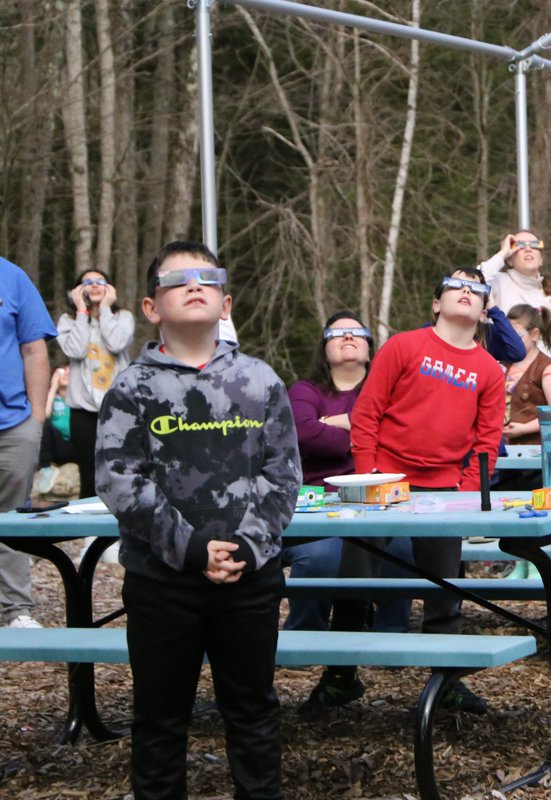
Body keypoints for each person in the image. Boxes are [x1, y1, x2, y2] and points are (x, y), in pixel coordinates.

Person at [95, 240, 301, 798]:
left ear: (226, 302)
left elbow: (284, 477)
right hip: (163, 583)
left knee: (254, 714)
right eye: (177, 279)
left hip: (249, 580)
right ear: (151, 307)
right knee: (160, 722)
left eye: (207, 278)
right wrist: (189, 549)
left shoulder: (261, 381)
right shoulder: (131, 388)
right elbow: (119, 481)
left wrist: (244, 548)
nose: (194, 285)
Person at [351, 266, 505, 714]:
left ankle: (448, 682)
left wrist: (467, 495)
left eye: (475, 289)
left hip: (443, 490)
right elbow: (367, 416)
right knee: (351, 580)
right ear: (436, 304)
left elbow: (487, 442)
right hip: (383, 480)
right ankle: (340, 675)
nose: (465, 292)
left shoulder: (489, 370)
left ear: (483, 310)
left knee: (445, 590)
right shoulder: (403, 346)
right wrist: (368, 479)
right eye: (454, 287)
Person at [285, 312, 414, 713]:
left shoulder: (388, 386)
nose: (347, 338)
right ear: (324, 347)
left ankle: (389, 636)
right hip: (314, 501)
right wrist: (363, 430)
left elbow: (398, 430)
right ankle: (307, 637)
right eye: (337, 333)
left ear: (370, 346)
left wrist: (338, 424)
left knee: (408, 548)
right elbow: (302, 431)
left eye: (356, 332)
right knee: (321, 556)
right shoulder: (305, 389)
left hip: (377, 498)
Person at [0, 256, 56, 629]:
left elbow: (34, 348)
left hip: (13, 424)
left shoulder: (12, 276)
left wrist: (35, 419)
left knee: (10, 519)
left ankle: (13, 609)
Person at [55, 269, 135, 499]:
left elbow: (117, 343)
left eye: (100, 281)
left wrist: (105, 310)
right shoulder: (68, 321)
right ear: (77, 290)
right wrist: (82, 311)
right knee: (89, 470)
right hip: (83, 409)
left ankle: (121, 526)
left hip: (118, 406)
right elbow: (75, 349)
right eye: (87, 282)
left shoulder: (123, 318)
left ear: (110, 288)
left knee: (122, 467)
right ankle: (91, 532)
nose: (94, 285)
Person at [478, 230, 551, 360]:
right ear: (510, 260)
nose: (528, 249)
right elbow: (472, 282)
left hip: (542, 375)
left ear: (541, 259)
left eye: (534, 245)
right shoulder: (498, 282)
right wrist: (502, 253)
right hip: (502, 372)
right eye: (519, 245)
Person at [503, 304, 551, 445]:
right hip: (500, 451)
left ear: (534, 334)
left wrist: (525, 429)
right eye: (506, 335)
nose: (509, 340)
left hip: (534, 454)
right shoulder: (502, 365)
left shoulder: (549, 370)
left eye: (516, 335)